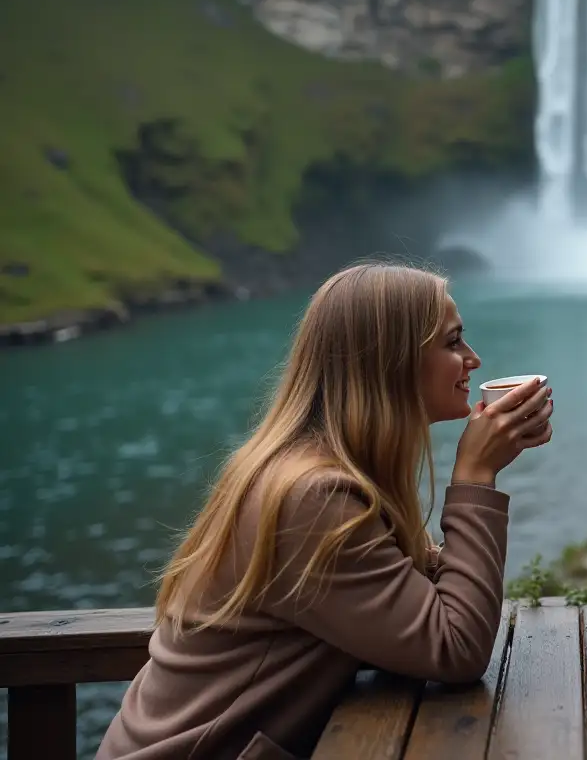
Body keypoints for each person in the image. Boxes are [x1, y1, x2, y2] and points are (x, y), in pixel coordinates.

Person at [96, 262, 554, 760]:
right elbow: (455, 646)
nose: (473, 359)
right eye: (452, 342)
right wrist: (475, 477)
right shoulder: (311, 497)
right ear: (390, 360)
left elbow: (408, 602)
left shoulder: (317, 469)